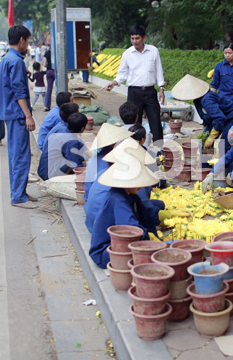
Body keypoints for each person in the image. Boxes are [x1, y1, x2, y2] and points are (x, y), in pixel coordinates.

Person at [88, 139, 165, 269]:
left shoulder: (131, 196)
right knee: (146, 248)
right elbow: (131, 229)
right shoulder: (118, 199)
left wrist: (162, 216)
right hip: (106, 251)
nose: (141, 186)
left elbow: (144, 213)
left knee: (149, 226)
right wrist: (149, 238)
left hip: (115, 244)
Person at [103, 25, 165, 141]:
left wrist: (161, 88)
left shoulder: (153, 51)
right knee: (134, 123)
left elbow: (159, 70)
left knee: (155, 120)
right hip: (134, 92)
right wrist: (114, 82)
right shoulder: (127, 54)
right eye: (132, 38)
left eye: (137, 38)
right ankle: (134, 147)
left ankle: (159, 150)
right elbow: (122, 74)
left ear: (143, 38)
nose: (134, 41)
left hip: (150, 91)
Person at [0, 25, 36, 208]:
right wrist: (28, 115)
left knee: (16, 154)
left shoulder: (8, 59)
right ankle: (18, 196)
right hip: (17, 114)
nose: (27, 44)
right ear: (21, 40)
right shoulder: (16, 62)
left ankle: (20, 192)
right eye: (27, 40)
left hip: (10, 113)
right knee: (21, 155)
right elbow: (19, 91)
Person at [171, 74, 233, 151]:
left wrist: (212, 136)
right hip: (217, 119)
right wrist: (205, 130)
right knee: (202, 142)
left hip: (232, 117)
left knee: (225, 145)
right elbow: (205, 116)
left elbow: (219, 117)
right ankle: (207, 162)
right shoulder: (197, 101)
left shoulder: (207, 100)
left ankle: (229, 162)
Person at [83, 123, 134, 225]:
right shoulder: (111, 162)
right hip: (102, 212)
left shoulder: (93, 159)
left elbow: (88, 191)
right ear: (114, 144)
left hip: (90, 205)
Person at [37, 112, 89, 181]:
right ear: (82, 129)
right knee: (81, 164)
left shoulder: (64, 130)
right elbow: (78, 167)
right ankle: (58, 180)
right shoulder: (71, 141)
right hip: (49, 173)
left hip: (43, 168)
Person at [43, 45, 55, 111]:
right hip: (56, 71)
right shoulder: (57, 52)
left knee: (49, 89)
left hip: (49, 72)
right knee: (59, 88)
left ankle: (46, 106)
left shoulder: (47, 53)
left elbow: (44, 64)